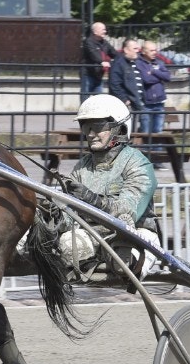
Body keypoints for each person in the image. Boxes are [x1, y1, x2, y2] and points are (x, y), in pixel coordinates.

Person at [59, 94, 161, 277]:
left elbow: (128, 209)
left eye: (98, 127)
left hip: (137, 234)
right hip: (94, 234)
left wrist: (94, 200)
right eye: (86, 127)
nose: (90, 134)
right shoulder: (82, 167)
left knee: (122, 254)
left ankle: (117, 257)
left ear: (119, 129)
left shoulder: (138, 164)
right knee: (67, 243)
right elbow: (69, 213)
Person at [134, 40, 171, 135]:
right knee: (145, 132)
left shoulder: (159, 62)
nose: (155, 53)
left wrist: (154, 72)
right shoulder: (138, 63)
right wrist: (160, 77)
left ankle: (158, 149)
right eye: (152, 50)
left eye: (155, 50)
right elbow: (146, 79)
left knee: (158, 132)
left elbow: (168, 77)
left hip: (159, 102)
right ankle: (146, 150)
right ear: (144, 51)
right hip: (146, 103)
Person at [108, 38, 144, 127]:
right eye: (135, 49)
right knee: (123, 132)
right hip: (125, 105)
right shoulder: (119, 63)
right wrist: (124, 99)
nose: (138, 51)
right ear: (126, 50)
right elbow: (114, 84)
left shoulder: (133, 62)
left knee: (133, 131)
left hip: (135, 103)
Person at [80, 22, 117, 102]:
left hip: (98, 75)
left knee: (99, 100)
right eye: (103, 29)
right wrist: (102, 62)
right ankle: (83, 113)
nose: (105, 31)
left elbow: (114, 53)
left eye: (105, 29)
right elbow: (94, 54)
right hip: (88, 74)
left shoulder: (105, 43)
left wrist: (122, 58)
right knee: (85, 99)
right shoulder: (88, 42)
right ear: (95, 31)